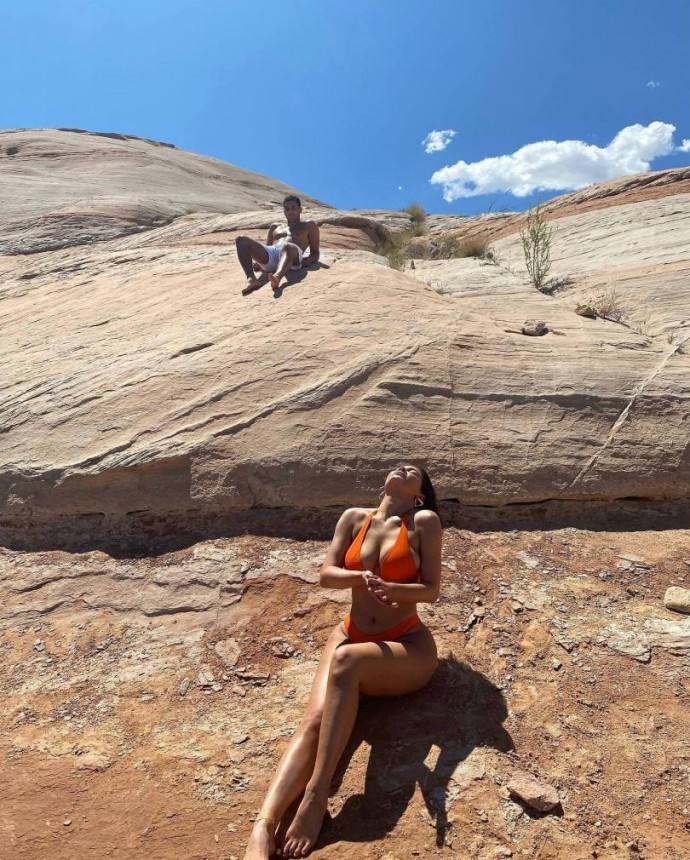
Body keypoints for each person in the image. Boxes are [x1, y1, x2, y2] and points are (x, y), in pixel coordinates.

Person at [243, 464, 443, 859]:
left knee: (347, 661)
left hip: (406, 646)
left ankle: (315, 798)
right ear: (384, 479)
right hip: (351, 632)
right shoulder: (354, 518)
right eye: (399, 465)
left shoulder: (423, 520)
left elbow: (432, 590)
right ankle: (263, 825)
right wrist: (361, 579)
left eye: (415, 471)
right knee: (315, 721)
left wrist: (391, 587)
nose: (404, 467)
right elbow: (326, 575)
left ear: (419, 493)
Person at [236, 195, 320, 295]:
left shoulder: (308, 225)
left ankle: (277, 277)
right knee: (241, 240)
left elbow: (315, 253)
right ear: (284, 212)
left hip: (292, 255)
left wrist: (310, 259)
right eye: (287, 209)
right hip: (273, 253)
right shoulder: (275, 227)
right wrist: (259, 262)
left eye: (293, 208)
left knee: (287, 246)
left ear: (300, 209)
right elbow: (267, 247)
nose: (290, 211)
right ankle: (251, 279)